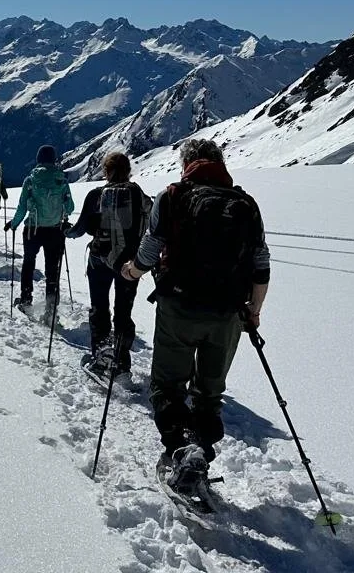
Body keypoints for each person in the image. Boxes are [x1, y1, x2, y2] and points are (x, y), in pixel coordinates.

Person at [121, 138, 270, 496]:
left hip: (179, 307)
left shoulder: (172, 196)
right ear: (220, 164)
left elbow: (150, 249)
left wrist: (131, 272)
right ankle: (200, 449)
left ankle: (181, 450)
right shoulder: (246, 205)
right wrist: (254, 311)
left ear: (187, 165)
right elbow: (261, 265)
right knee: (209, 392)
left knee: (168, 384)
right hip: (228, 314)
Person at [69, 150, 148, 375]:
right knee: (124, 310)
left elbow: (81, 228)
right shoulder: (138, 194)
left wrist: (66, 231)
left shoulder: (96, 194)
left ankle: (102, 356)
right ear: (128, 170)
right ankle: (122, 361)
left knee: (99, 307)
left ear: (106, 171)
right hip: (129, 264)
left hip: (99, 259)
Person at [6, 144, 74, 313]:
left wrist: (13, 224)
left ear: (38, 159)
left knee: (29, 263)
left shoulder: (30, 180)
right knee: (53, 268)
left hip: (32, 230)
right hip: (56, 230)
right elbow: (70, 207)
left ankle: (26, 299)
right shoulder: (61, 180)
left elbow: (22, 208)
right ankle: (51, 305)